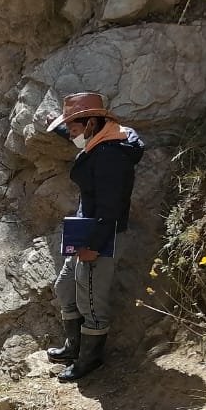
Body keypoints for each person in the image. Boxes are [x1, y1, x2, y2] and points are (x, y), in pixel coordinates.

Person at [44, 92, 145, 381]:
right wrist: (61, 126)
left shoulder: (111, 156)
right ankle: (73, 346)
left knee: (91, 300)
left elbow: (111, 208)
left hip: (101, 235)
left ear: (90, 124)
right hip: (88, 228)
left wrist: (92, 246)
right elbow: (83, 138)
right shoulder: (103, 138)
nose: (72, 133)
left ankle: (89, 360)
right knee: (65, 286)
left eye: (74, 128)